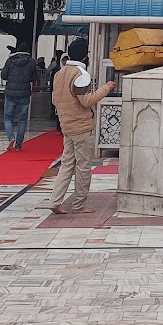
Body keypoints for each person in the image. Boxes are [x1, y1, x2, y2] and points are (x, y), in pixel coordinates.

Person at [50, 39, 114, 215]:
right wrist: (106, 88)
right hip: (82, 127)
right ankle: (79, 205)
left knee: (67, 164)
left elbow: (55, 100)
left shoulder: (59, 74)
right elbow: (86, 101)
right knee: (83, 166)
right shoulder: (81, 75)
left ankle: (55, 201)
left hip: (67, 126)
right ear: (86, 55)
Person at [0, 42, 41, 152]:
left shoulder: (10, 60)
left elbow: (3, 75)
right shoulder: (32, 62)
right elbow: (34, 78)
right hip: (24, 93)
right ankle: (18, 146)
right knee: (22, 119)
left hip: (10, 93)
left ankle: (11, 137)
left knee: (8, 117)